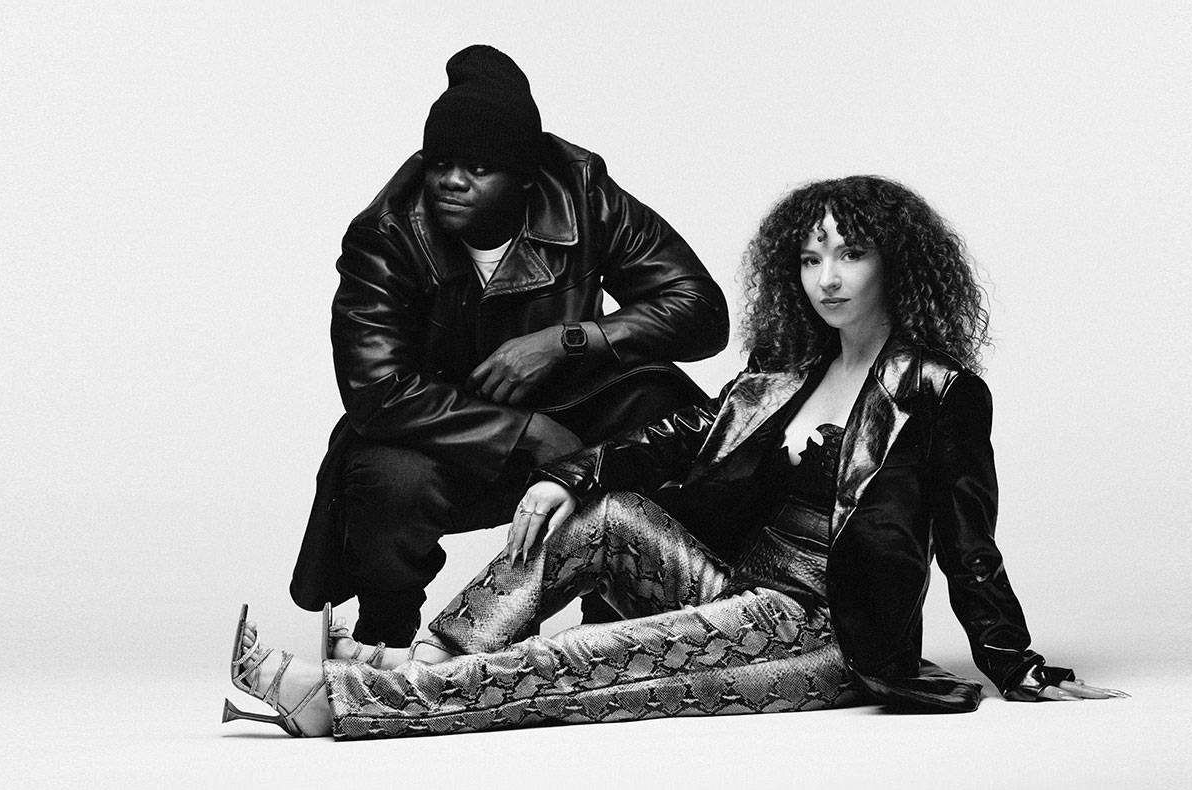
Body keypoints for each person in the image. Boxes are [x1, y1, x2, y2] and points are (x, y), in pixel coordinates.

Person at [234, 176, 1125, 739]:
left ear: (898, 265)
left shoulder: (938, 390)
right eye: (811, 258)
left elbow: (970, 543)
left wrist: (1017, 665)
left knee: (585, 666)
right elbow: (679, 436)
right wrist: (567, 475)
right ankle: (427, 658)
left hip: (824, 628)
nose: (828, 278)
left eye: (851, 255)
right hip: (730, 585)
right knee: (599, 513)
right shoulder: (786, 370)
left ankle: (339, 703)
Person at [288, 44, 729, 648]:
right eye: (441, 162)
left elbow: (700, 310)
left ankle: (617, 628)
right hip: (449, 433)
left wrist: (568, 340)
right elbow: (377, 388)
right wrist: (524, 432)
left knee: (666, 410)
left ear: (524, 174)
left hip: (575, 412)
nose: (452, 181)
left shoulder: (582, 194)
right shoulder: (387, 233)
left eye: (478, 167)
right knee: (386, 476)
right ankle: (382, 644)